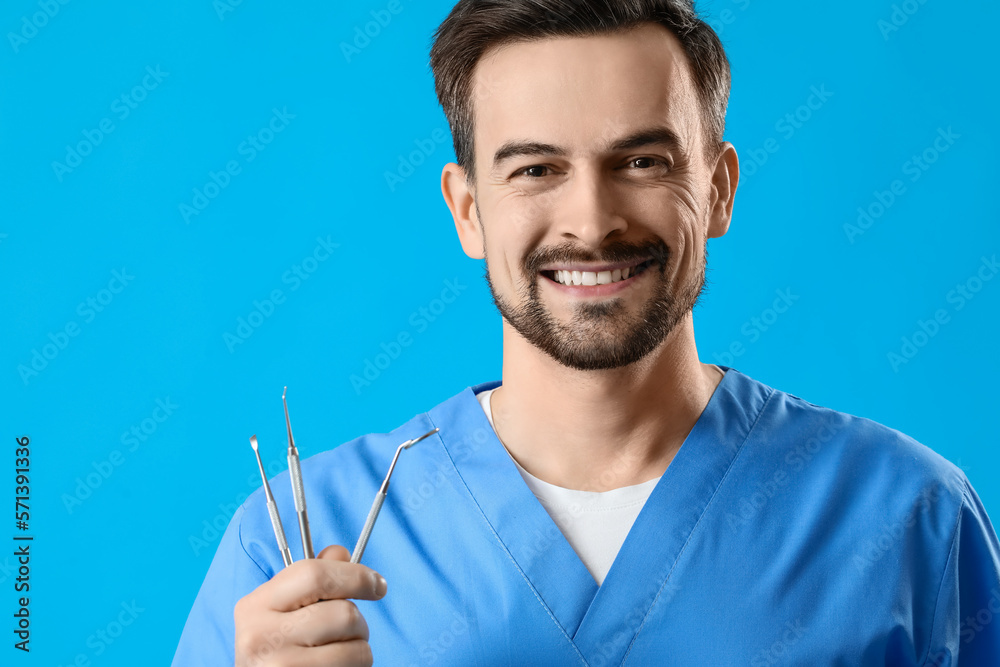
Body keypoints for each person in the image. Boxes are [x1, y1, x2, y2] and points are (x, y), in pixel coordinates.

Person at [172, 1, 1000, 665]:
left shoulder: (907, 517)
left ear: (717, 189)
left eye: (642, 162)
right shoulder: (297, 545)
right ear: (467, 209)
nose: (592, 222)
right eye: (536, 169)